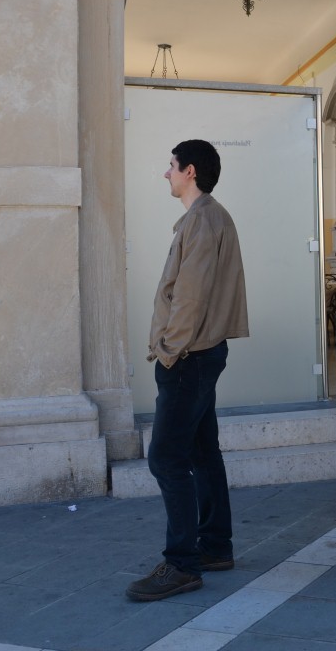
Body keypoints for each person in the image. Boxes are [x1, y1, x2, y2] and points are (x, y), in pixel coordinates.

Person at [126, 139, 249, 602]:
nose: (167, 173)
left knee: (166, 459)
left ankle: (181, 564)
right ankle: (214, 546)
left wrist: (167, 350)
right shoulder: (210, 217)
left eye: (171, 166)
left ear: (190, 171)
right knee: (201, 451)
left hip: (188, 357)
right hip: (200, 354)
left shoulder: (201, 220)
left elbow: (190, 297)